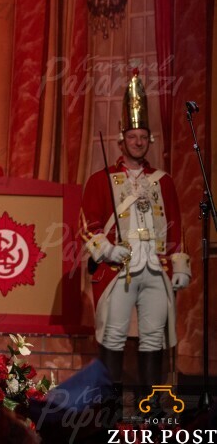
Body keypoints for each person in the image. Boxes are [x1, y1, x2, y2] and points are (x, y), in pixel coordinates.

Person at [81, 70, 190, 412]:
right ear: (121, 140)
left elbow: (176, 226)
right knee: (113, 335)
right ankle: (108, 407)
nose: (138, 142)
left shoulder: (163, 181)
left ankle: (151, 405)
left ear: (149, 140)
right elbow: (87, 224)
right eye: (133, 136)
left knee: (153, 337)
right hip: (119, 269)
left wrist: (180, 264)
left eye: (143, 136)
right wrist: (107, 249)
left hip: (155, 267)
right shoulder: (101, 180)